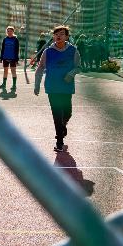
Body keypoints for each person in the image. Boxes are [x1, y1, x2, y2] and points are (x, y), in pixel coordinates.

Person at [34, 25, 80, 153]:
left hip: (66, 87)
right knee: (56, 114)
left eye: (61, 34)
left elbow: (78, 67)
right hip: (52, 87)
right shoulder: (47, 51)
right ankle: (59, 141)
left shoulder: (73, 51)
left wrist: (71, 74)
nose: (58, 36)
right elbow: (40, 68)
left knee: (67, 112)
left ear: (66, 37)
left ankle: (62, 127)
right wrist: (37, 85)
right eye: (56, 34)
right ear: (53, 36)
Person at [0, 26, 20, 92]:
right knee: (5, 71)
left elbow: (17, 50)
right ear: (6, 32)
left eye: (10, 31)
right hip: (5, 57)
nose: (9, 32)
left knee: (13, 71)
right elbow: (2, 49)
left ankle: (14, 85)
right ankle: (4, 84)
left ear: (13, 32)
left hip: (13, 58)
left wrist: (17, 59)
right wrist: (1, 57)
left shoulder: (15, 39)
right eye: (8, 31)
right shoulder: (5, 39)